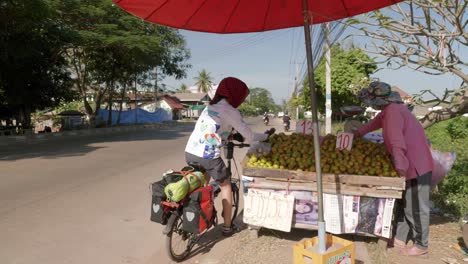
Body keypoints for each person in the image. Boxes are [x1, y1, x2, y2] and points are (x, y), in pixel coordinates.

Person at [185, 77, 274, 236]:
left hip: (190, 151)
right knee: (225, 186)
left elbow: (215, 130)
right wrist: (265, 137)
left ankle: (196, 213)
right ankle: (227, 227)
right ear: (235, 93)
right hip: (208, 155)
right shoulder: (230, 110)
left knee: (202, 185)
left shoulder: (210, 106)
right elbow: (250, 135)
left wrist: (231, 137)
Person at [354, 81, 433, 256]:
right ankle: (400, 237)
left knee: (417, 207)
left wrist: (400, 167)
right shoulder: (390, 110)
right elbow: (375, 123)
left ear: (380, 99)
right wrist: (358, 133)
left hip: (415, 164)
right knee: (408, 204)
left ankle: (422, 245)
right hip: (412, 161)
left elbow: (397, 143)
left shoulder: (393, 114)